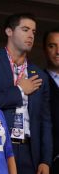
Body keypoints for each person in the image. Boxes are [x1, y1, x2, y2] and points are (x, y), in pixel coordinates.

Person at [0, 13, 52, 174]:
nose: (30, 36)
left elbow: (45, 121)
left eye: (33, 32)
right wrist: (19, 91)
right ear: (9, 31)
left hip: (30, 150)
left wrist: (45, 160)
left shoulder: (39, 75)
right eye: (25, 29)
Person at [43, 28, 59, 174]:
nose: (58, 51)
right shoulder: (38, 82)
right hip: (51, 161)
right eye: (52, 46)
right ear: (44, 50)